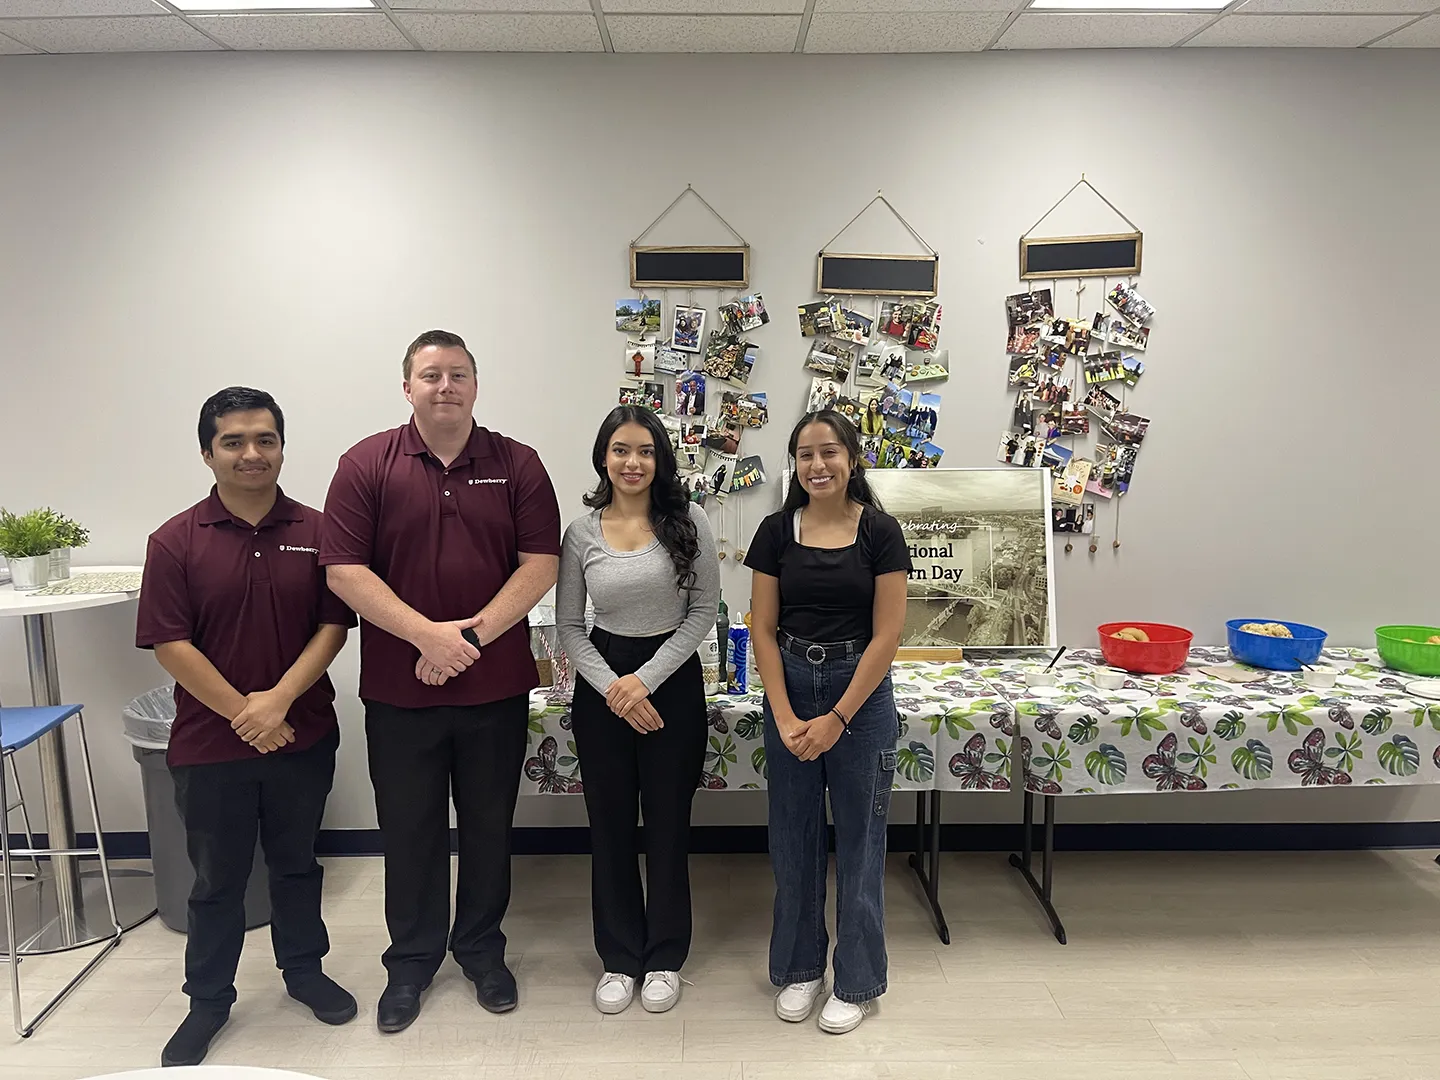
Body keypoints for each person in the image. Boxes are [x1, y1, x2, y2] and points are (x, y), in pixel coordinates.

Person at [320, 330, 560, 1033]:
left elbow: (540, 563)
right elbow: (343, 571)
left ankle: (482, 951)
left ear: (476, 386)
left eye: (458, 374)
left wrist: (471, 637)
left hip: (495, 688)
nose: (444, 386)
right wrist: (428, 636)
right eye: (431, 375)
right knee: (410, 832)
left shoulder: (517, 463)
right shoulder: (366, 463)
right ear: (407, 388)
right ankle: (413, 963)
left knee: (489, 830)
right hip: (401, 690)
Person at [135, 387, 356, 1067]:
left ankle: (304, 972)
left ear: (282, 447)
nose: (251, 453)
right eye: (233, 441)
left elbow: (332, 625)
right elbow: (170, 643)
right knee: (217, 880)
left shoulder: (321, 532)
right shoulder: (174, 541)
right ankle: (207, 1001)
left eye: (265, 439)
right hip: (209, 747)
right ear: (208, 453)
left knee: (296, 866)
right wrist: (245, 712)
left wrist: (278, 702)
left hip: (302, 735)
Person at [743, 409, 911, 1036]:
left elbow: (889, 633)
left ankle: (858, 980)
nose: (818, 465)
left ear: (852, 459)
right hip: (789, 683)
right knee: (794, 836)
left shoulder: (881, 532)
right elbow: (761, 627)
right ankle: (799, 968)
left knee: (863, 843)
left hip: (859, 693)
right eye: (806, 455)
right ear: (795, 464)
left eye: (830, 453)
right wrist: (786, 714)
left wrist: (838, 717)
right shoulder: (774, 532)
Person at [556, 406, 720, 1017]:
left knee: (669, 828)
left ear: (661, 459)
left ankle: (664, 958)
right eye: (621, 450)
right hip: (602, 685)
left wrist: (644, 683)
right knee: (611, 827)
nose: (633, 462)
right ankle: (619, 959)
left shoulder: (689, 520)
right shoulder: (581, 532)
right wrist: (615, 689)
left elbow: (703, 613)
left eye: (646, 451)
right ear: (604, 456)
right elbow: (572, 626)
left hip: (672, 680)